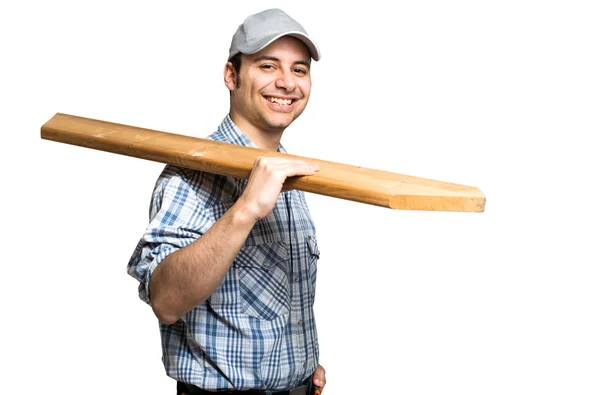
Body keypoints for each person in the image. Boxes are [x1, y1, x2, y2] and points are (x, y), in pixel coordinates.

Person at [127, 8, 327, 395]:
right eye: (268, 66)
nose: (287, 83)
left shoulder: (287, 175)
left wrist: (299, 365)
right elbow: (166, 300)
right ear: (231, 76)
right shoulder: (190, 177)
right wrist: (246, 209)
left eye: (299, 70)